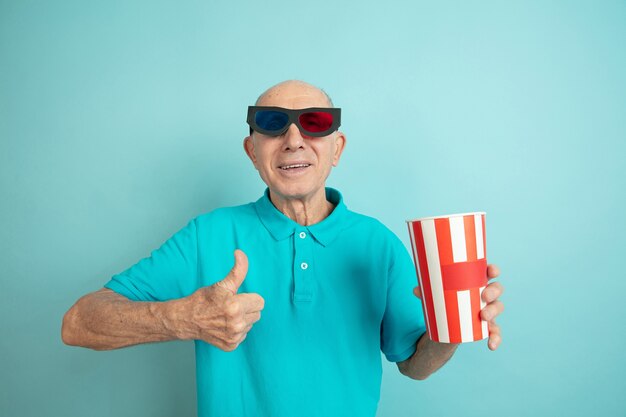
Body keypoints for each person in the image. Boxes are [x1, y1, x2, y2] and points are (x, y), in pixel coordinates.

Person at [62, 80, 505, 417]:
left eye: (315, 123)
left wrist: (455, 324)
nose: (294, 139)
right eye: (272, 124)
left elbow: (415, 364)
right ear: (252, 151)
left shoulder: (379, 244)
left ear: (337, 149)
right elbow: (79, 323)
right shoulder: (207, 235)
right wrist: (182, 318)